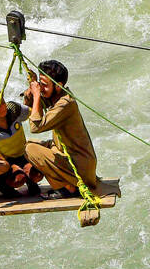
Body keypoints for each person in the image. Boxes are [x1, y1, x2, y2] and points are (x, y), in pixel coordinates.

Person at [24, 60, 98, 200]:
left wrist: (37, 95)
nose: (41, 88)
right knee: (27, 144)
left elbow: (35, 126)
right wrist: (32, 88)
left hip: (80, 167)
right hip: (67, 153)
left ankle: (68, 188)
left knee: (31, 150)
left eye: (45, 85)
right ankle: (60, 182)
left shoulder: (65, 104)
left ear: (59, 86)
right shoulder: (55, 95)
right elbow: (32, 106)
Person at [0, 85, 43, 197]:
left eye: (3, 102)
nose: (3, 107)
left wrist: (36, 96)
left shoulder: (13, 109)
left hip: (23, 154)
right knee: (18, 179)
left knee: (37, 174)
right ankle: (4, 186)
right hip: (6, 162)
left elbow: (34, 113)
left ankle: (31, 182)